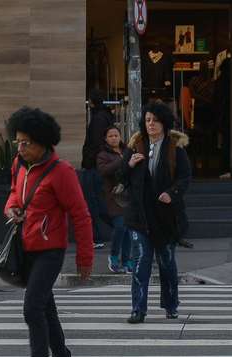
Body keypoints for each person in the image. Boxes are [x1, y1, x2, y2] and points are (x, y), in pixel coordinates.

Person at [4, 107, 94, 357]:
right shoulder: (18, 165)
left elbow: (81, 215)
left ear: (43, 142)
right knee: (46, 310)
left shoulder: (62, 172)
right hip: (26, 247)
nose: (20, 147)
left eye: (26, 142)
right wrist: (12, 207)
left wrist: (84, 259)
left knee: (32, 308)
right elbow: (14, 195)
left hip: (50, 250)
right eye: (17, 141)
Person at [121, 101, 191, 324]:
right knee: (141, 262)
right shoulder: (135, 146)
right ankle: (137, 309)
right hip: (139, 216)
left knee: (167, 263)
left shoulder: (174, 149)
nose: (150, 124)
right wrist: (129, 165)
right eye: (148, 119)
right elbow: (121, 179)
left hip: (165, 217)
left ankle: (171, 305)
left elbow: (185, 177)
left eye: (155, 120)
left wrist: (172, 193)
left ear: (164, 123)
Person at [81, 89, 115, 248]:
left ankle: (98, 236)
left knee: (93, 201)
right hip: (100, 165)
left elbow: (95, 143)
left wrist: (91, 160)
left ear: (92, 102)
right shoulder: (105, 117)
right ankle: (115, 228)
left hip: (93, 166)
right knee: (99, 201)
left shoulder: (98, 119)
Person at [96, 126, 133, 273]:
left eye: (116, 135)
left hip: (127, 194)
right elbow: (104, 170)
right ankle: (114, 256)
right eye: (110, 136)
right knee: (120, 226)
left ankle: (127, 260)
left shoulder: (127, 151)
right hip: (112, 195)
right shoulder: (102, 155)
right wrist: (122, 161)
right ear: (106, 139)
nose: (114, 138)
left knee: (128, 228)